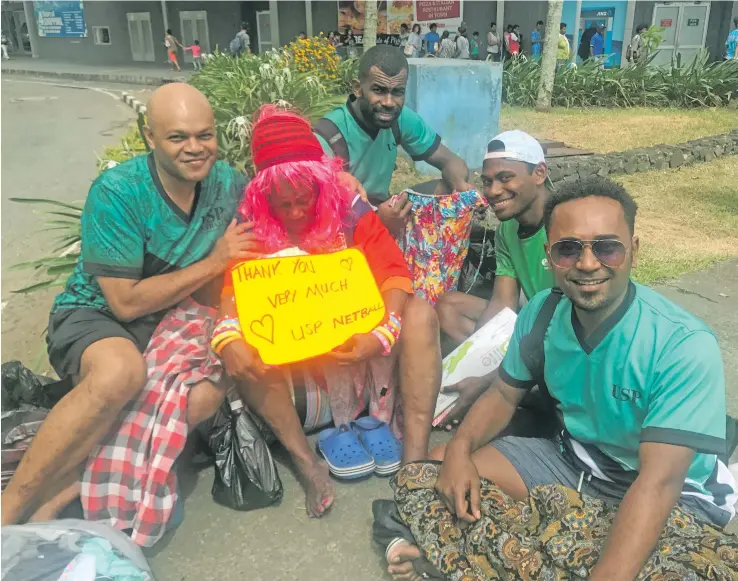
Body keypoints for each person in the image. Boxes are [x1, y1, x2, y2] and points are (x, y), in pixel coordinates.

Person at [392, 175, 738, 580]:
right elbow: (503, 396)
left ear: (634, 252)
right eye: (568, 249)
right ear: (549, 256)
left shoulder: (682, 344)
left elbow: (658, 484)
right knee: (428, 476)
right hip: (574, 462)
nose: (587, 264)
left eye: (607, 248)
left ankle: (461, 553)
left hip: (671, 492)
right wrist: (458, 449)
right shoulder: (542, 314)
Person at [0, 84, 256, 525]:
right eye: (177, 137)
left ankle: (70, 486)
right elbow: (125, 304)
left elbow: (284, 187)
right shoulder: (119, 192)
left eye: (205, 134)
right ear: (149, 136)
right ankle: (8, 512)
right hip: (95, 315)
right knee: (123, 374)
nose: (195, 149)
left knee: (207, 391)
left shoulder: (226, 183)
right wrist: (214, 262)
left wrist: (342, 183)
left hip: (177, 320)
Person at [216, 106, 425, 517]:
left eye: (303, 200)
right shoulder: (250, 223)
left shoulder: (350, 208)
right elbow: (233, 294)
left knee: (422, 315)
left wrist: (383, 332)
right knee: (249, 345)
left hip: (361, 359)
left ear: (321, 186)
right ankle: (307, 463)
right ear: (264, 198)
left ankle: (413, 457)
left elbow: (395, 274)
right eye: (283, 204)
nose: (294, 212)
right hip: (295, 380)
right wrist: (228, 337)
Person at [436, 131, 554, 428]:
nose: (493, 190)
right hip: (534, 325)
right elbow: (503, 304)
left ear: (539, 173)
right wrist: (472, 365)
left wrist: (492, 378)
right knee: (448, 306)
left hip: (566, 333)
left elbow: (566, 323)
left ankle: (516, 390)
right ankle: (498, 387)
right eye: (487, 181)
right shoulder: (507, 231)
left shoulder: (564, 225)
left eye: (505, 178)